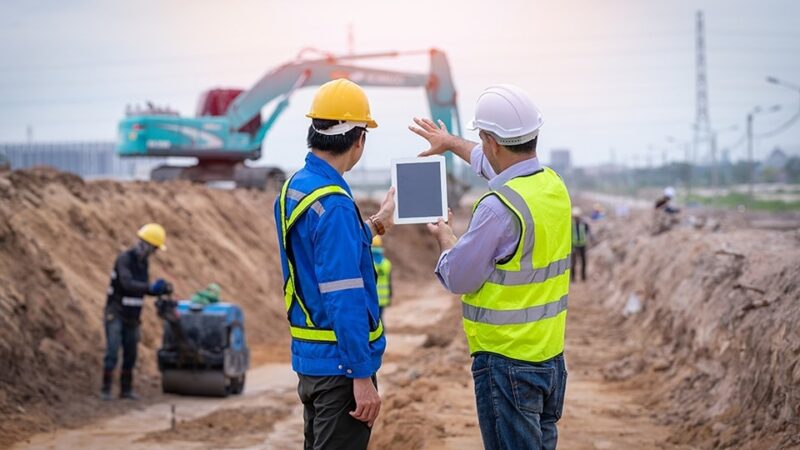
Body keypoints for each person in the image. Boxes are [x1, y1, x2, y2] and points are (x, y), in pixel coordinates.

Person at [410, 84, 571, 450]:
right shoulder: (553, 187)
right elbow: (487, 162)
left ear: (491, 141)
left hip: (506, 364)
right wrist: (450, 142)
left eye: (482, 141)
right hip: (549, 359)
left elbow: (459, 276)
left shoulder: (498, 208)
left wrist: (445, 237)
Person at [273, 78, 396, 450]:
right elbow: (344, 296)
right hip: (340, 370)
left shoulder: (297, 186)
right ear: (359, 139)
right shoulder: (337, 204)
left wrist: (374, 224)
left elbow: (317, 254)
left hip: (312, 361)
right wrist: (361, 375)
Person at [101, 223, 171, 401]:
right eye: (154, 248)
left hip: (133, 316)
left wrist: (158, 290)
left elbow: (141, 289)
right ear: (146, 245)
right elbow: (127, 284)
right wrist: (150, 287)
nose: (154, 252)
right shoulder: (124, 259)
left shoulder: (143, 263)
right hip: (116, 312)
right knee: (113, 350)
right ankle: (106, 389)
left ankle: (126, 389)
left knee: (131, 353)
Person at [371, 236, 393, 320]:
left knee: (373, 321)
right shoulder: (387, 263)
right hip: (383, 298)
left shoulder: (369, 263)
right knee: (380, 320)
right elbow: (389, 282)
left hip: (372, 297)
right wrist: (390, 295)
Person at [571, 207, 591, 282]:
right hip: (574, 245)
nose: (576, 218)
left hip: (582, 245)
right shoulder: (571, 225)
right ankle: (573, 278)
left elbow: (588, 232)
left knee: (583, 261)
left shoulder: (584, 224)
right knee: (573, 262)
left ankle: (583, 277)